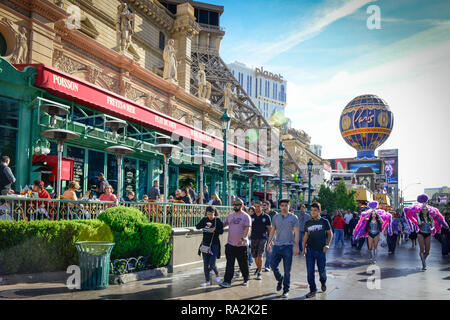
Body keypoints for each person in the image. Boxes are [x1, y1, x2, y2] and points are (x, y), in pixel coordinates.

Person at [404, 194, 449, 270]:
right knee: (422, 249)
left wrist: (433, 229)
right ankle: (424, 264)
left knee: (427, 252)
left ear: (428, 211)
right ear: (421, 210)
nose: (425, 210)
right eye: (423, 209)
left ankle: (423, 259)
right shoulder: (419, 216)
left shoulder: (430, 217)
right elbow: (418, 223)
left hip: (428, 234)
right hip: (420, 233)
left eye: (426, 209)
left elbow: (434, 224)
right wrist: (420, 220)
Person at [267, 199, 299, 299]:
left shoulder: (294, 218)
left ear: (289, 206)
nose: (284, 207)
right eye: (282, 205)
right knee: (272, 265)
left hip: (288, 247)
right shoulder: (276, 217)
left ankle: (286, 290)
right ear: (280, 207)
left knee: (287, 271)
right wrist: (269, 243)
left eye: (286, 205)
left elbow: (297, 233)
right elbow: (272, 230)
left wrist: (296, 246)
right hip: (277, 246)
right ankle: (280, 279)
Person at [219, 198, 252, 288]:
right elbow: (223, 224)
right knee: (229, 264)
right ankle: (227, 281)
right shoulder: (230, 216)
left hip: (242, 245)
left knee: (243, 264)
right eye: (234, 205)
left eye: (237, 205)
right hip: (230, 244)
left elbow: (247, 228)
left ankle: (246, 278)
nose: (235, 206)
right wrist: (214, 221)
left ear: (241, 206)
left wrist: (243, 238)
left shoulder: (246, 216)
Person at [303, 202, 333, 298]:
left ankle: (323, 282)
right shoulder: (308, 223)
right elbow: (305, 237)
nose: (313, 212)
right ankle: (313, 289)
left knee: (322, 271)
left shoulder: (324, 221)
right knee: (310, 271)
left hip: (321, 250)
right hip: (310, 250)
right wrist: (303, 249)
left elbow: (330, 233)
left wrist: (327, 245)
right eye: (311, 210)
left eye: (315, 210)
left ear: (319, 211)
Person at [196, 206, 224, 286]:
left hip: (214, 244)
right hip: (205, 244)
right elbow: (197, 226)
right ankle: (207, 281)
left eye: (211, 214)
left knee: (212, 263)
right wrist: (205, 224)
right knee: (205, 263)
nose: (210, 216)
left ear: (214, 213)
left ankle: (217, 274)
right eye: (208, 214)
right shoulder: (205, 219)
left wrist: (215, 230)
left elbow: (221, 231)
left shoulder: (217, 220)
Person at [250, 201, 271, 280]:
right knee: (254, 255)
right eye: (255, 206)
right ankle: (258, 267)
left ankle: (259, 272)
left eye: (258, 206)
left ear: (262, 207)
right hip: (253, 238)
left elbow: (270, 228)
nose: (256, 208)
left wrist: (270, 240)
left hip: (263, 238)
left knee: (260, 255)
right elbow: (249, 227)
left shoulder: (266, 217)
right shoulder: (251, 216)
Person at [262, 200, 277, 272]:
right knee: (263, 251)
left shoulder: (274, 213)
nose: (263, 206)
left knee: (269, 250)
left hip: (272, 234)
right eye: (263, 205)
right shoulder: (262, 213)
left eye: (264, 205)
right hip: (263, 234)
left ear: (268, 206)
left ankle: (267, 265)